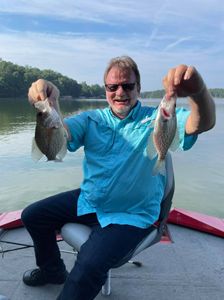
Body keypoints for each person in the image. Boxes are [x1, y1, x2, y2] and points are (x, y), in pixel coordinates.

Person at [21, 56, 215, 300]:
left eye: (127, 86)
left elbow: (201, 123)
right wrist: (51, 103)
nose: (120, 92)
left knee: (90, 263)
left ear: (138, 88)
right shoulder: (92, 119)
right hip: (92, 200)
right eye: (113, 87)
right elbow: (61, 134)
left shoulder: (157, 117)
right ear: (105, 90)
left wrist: (198, 92)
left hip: (133, 213)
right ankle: (53, 271)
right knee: (33, 215)